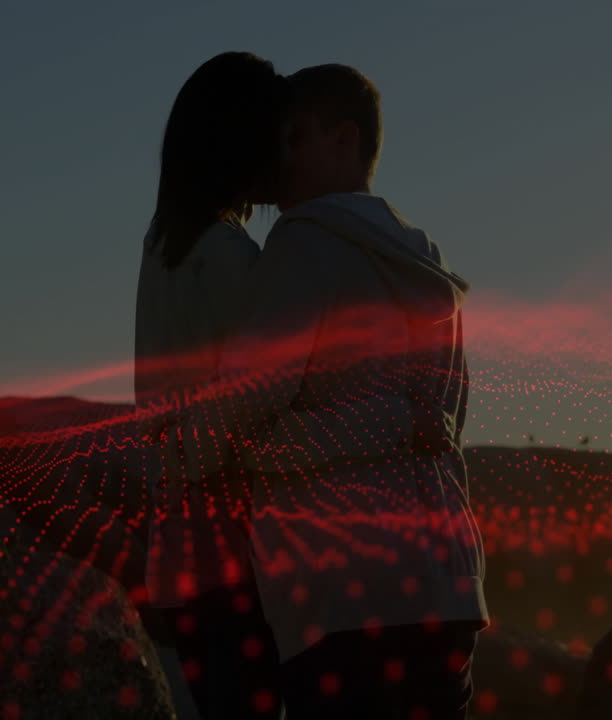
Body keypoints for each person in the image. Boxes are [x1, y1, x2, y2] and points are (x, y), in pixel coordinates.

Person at [166, 64, 488, 719]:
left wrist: (182, 457)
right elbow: (439, 425)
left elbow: (239, 416)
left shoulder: (304, 244)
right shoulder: (424, 261)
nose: (276, 162)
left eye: (294, 139)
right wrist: (395, 425)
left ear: (345, 140)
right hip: (448, 582)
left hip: (344, 591)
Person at [134, 51, 287, 720]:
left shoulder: (162, 248)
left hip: (181, 555)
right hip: (237, 553)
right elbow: (258, 401)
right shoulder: (231, 257)